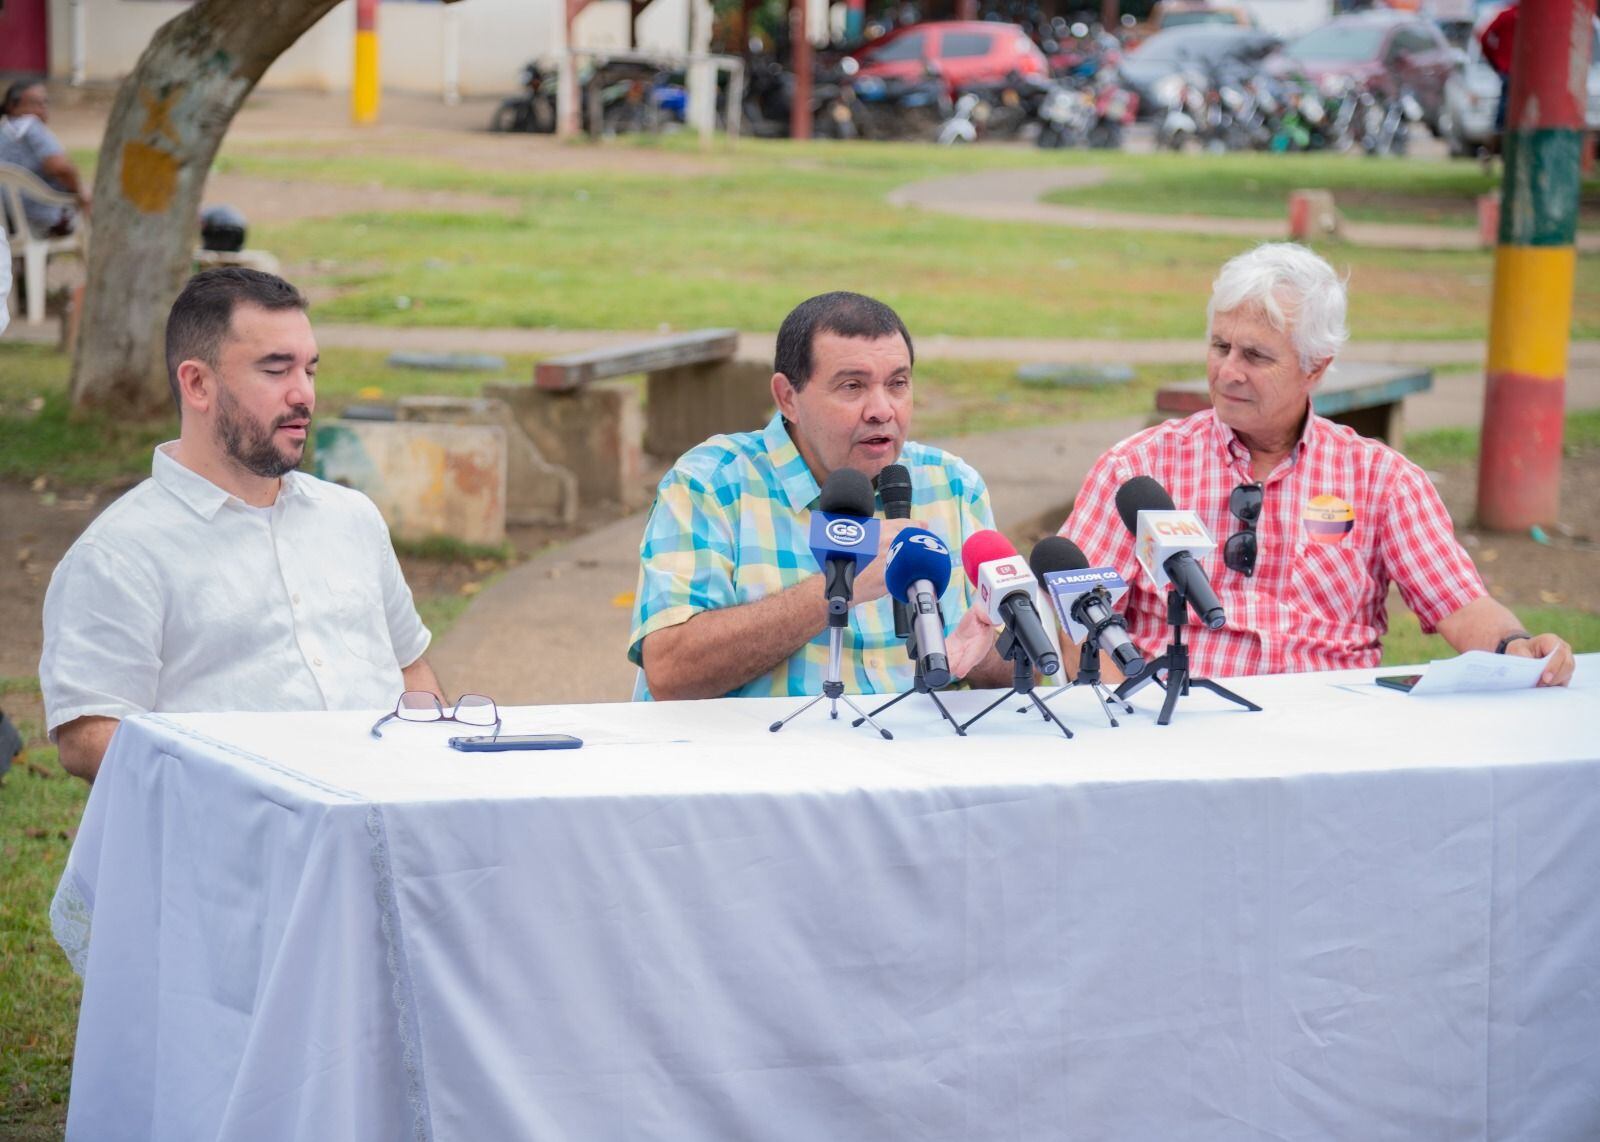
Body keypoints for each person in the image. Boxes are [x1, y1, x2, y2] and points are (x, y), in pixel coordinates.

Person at [1062, 242, 1574, 686]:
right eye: (1220, 347)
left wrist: (1518, 649)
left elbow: (1459, 604)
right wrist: (1127, 714)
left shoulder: (1381, 479)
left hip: (1332, 733)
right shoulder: (1138, 467)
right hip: (1173, 721)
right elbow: (1073, 618)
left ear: (1316, 368)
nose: (1229, 372)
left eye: (1256, 357)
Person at [40, 268, 441, 782]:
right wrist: (249, 794)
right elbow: (90, 736)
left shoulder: (353, 518)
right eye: (276, 371)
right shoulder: (118, 554)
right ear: (198, 383)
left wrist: (433, 776)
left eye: (310, 371)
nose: (304, 396)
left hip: (380, 828)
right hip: (230, 845)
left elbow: (410, 668)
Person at [629, 291, 1011, 700]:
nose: (882, 409)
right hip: (760, 755)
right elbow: (671, 672)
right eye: (852, 386)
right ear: (787, 397)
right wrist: (839, 590)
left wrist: (984, 654)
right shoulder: (711, 484)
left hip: (917, 753)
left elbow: (1015, 674)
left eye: (898, 384)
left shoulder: (953, 485)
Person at [0, 79, 91, 237]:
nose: (42, 109)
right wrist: (80, 192)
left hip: (6, 220)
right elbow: (60, 167)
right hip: (41, 216)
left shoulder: (3, 130)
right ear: (12, 106)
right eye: (35, 103)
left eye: (45, 103)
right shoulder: (30, 125)